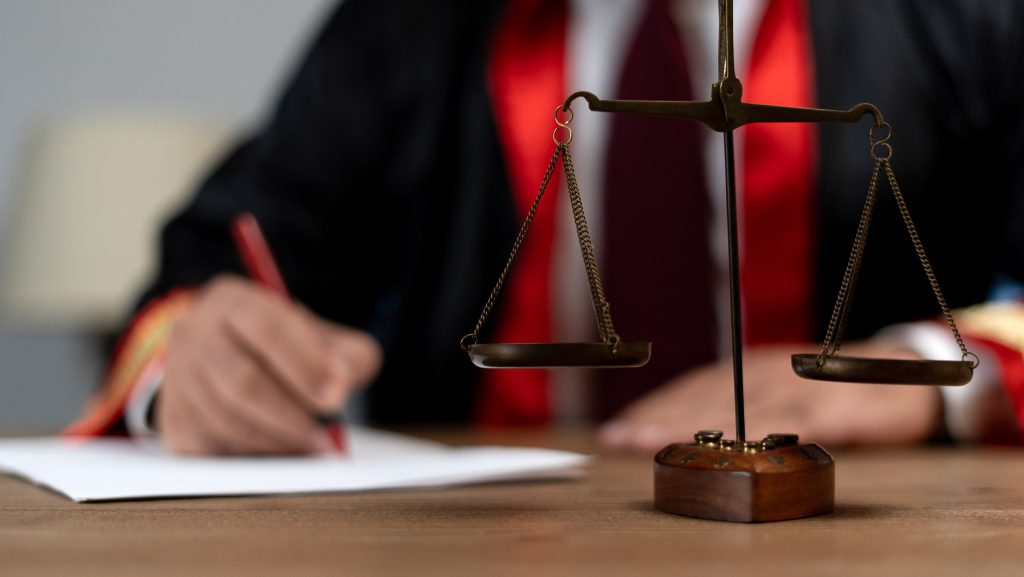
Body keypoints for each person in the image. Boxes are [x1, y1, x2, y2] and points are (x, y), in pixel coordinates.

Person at [67, 0, 1024, 455]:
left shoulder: (962, 20)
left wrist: (928, 382)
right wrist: (192, 363)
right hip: (485, 542)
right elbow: (212, 259)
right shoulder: (403, 29)